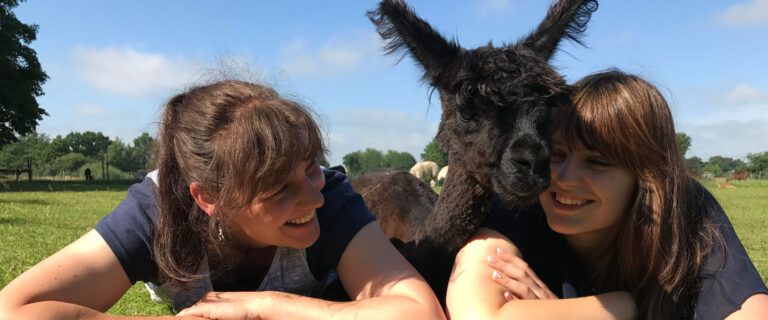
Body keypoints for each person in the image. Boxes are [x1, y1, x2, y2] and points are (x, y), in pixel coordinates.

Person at [0, 80, 444, 319]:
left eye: (309, 167)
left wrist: (266, 307)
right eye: (279, 189)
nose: (314, 196)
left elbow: (418, 312)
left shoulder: (334, 198)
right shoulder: (157, 211)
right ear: (208, 198)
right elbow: (14, 309)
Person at [446, 70, 768, 319]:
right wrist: (621, 308)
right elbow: (476, 313)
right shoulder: (524, 202)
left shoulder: (687, 211)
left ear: (646, 177)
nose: (563, 177)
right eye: (556, 153)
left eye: (597, 161)